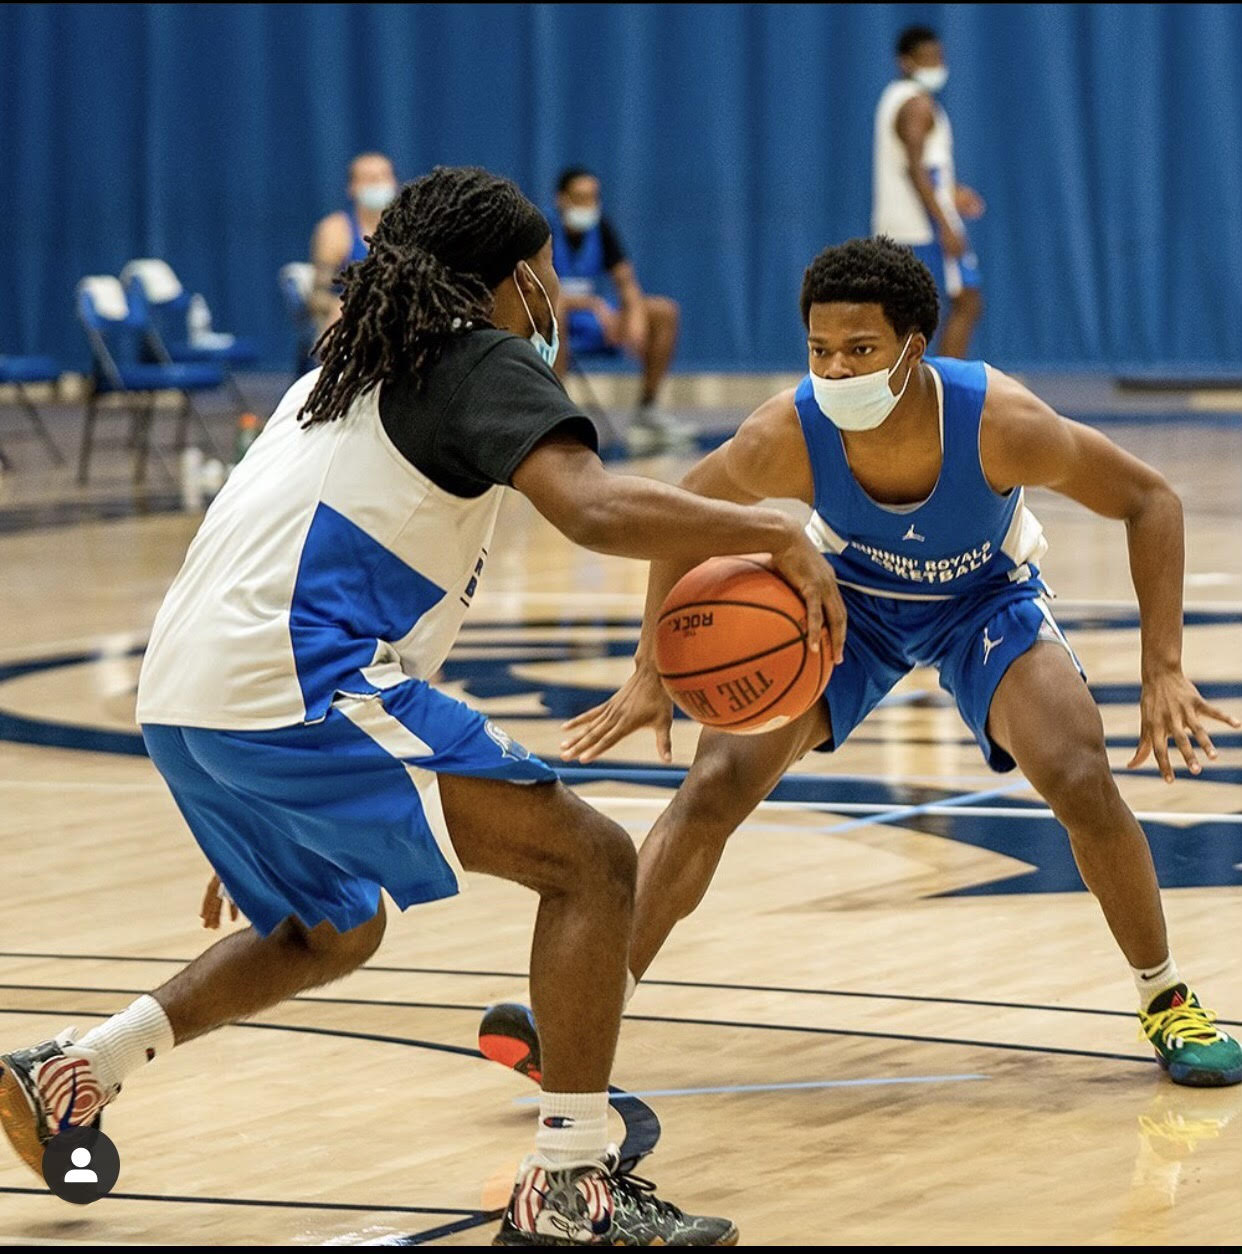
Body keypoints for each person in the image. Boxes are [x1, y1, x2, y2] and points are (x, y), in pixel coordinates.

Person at [0, 165, 844, 1246]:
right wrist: (768, 530)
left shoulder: (341, 373)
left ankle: (77, 1070)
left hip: (194, 695)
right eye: (541, 271)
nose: (552, 293)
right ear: (507, 281)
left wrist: (269, 774)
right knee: (591, 862)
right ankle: (573, 1189)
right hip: (290, 685)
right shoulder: (473, 356)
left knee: (332, 926)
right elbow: (588, 508)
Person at [481, 236, 1242, 1094]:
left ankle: (1165, 995)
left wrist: (1164, 667)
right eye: (820, 351)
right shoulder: (786, 434)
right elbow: (680, 514)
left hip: (981, 602)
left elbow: (1150, 499)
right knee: (715, 785)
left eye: (860, 351)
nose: (836, 370)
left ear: (914, 348)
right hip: (840, 602)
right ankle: (582, 1015)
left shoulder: (1000, 422)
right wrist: (651, 672)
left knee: (1077, 772)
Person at [551, 167, 689, 453]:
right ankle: (554, 414)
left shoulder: (601, 228)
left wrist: (635, 318)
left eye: (593, 197)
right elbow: (539, 288)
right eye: (580, 197)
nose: (588, 205)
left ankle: (647, 411)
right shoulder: (543, 231)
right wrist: (594, 304)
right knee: (557, 310)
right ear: (561, 199)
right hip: (555, 321)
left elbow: (626, 282)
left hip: (595, 323)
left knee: (663, 311)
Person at [873, 26, 985, 358]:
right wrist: (946, 224)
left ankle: (923, 393)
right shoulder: (917, 106)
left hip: (902, 225)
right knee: (964, 301)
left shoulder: (892, 97)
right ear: (905, 61)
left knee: (913, 317)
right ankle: (943, 391)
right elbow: (916, 169)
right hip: (922, 230)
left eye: (939, 57)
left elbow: (928, 171)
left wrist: (953, 192)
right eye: (927, 59)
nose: (936, 65)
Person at [309, 152, 399, 336]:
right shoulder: (336, 231)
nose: (378, 183)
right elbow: (317, 297)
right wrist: (344, 304)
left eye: (384, 176)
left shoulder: (412, 227)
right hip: (352, 320)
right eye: (369, 179)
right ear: (352, 187)